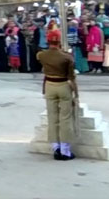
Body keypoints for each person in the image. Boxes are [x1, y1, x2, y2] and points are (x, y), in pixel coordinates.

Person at [37, 29, 78, 160]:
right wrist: (76, 93)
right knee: (65, 118)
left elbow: (43, 61)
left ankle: (55, 147)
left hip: (49, 85)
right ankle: (65, 150)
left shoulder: (41, 55)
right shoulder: (66, 57)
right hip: (63, 86)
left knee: (52, 116)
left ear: (48, 41)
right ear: (59, 41)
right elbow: (71, 77)